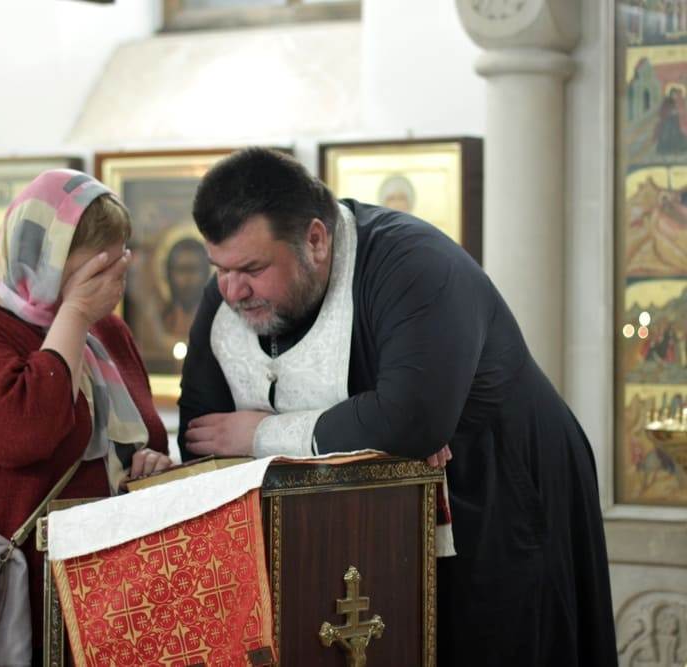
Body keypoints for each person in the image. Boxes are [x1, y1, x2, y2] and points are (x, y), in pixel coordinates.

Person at [178, 147, 618, 666]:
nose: (231, 291)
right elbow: (203, 437)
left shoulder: (413, 261)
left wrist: (260, 434)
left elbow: (410, 421)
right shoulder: (231, 291)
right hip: (355, 534)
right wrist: (371, 429)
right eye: (220, 269)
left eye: (252, 268)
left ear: (316, 240)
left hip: (497, 493)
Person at [0, 169, 172, 659]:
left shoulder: (108, 332)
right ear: (41, 259)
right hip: (5, 606)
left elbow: (149, 439)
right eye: (97, 268)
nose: (114, 281)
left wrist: (150, 467)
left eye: (119, 262)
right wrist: (74, 315)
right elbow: (26, 431)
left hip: (107, 605)